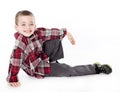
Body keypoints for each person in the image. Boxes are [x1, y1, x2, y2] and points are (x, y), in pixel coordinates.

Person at [7, 10, 112, 87]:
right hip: (36, 68)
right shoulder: (19, 46)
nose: (27, 28)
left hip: (40, 56)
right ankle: (96, 68)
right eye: (23, 24)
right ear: (17, 27)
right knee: (68, 70)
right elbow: (14, 63)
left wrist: (66, 33)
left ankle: (53, 62)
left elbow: (50, 32)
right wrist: (12, 78)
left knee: (55, 39)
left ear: (35, 25)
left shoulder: (37, 33)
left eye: (31, 24)